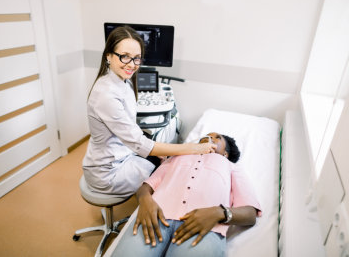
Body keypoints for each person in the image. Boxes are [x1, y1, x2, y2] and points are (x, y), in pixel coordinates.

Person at [82, 26, 216, 197]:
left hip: (121, 155)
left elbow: (132, 132)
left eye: (137, 58)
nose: (132, 65)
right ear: (108, 56)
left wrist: (157, 151)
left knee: (162, 157)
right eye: (124, 57)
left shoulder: (123, 80)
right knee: (167, 171)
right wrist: (193, 149)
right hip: (108, 173)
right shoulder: (106, 95)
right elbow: (139, 143)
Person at [111, 132, 262, 257]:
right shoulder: (178, 156)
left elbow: (250, 213)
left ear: (225, 153)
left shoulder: (231, 167)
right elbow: (147, 186)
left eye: (217, 137)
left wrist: (219, 212)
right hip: (155, 217)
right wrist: (145, 200)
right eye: (207, 135)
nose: (210, 137)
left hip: (204, 226)